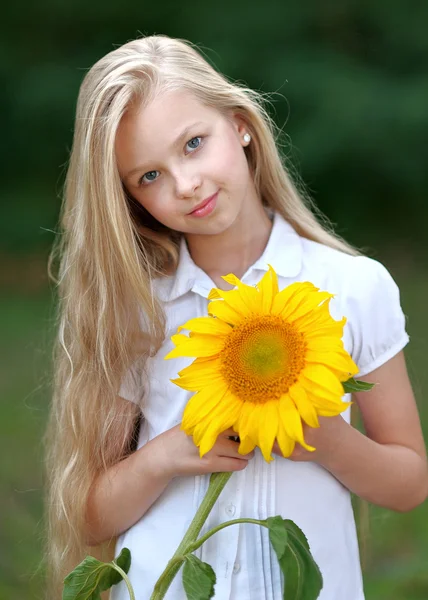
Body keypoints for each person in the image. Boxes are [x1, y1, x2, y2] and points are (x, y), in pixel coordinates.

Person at [45, 35, 428, 600]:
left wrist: (328, 441)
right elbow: (91, 517)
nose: (185, 183)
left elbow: (409, 484)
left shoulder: (351, 288)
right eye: (148, 176)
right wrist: (161, 458)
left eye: (194, 143)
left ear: (241, 124)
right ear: (128, 199)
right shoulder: (138, 310)